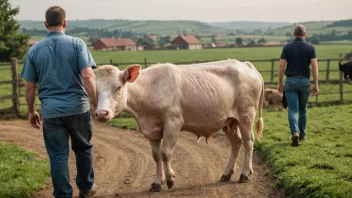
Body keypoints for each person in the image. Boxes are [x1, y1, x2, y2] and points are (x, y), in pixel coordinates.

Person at [21, 6, 98, 198]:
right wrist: (95, 102)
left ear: (46, 24)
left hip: (51, 112)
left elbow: (29, 87)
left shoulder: (34, 51)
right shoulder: (78, 44)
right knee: (83, 148)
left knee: (57, 156)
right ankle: (87, 187)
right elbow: (88, 76)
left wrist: (32, 112)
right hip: (78, 108)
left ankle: (63, 194)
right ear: (65, 22)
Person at [278, 24, 319, 147]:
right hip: (305, 82)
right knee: (303, 110)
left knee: (292, 110)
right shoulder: (311, 47)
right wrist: (316, 83)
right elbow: (314, 66)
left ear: (294, 34)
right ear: (305, 34)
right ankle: (302, 134)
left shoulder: (287, 47)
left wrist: (280, 82)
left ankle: (295, 132)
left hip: (290, 81)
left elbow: (281, 65)